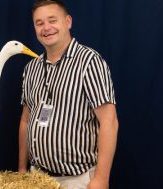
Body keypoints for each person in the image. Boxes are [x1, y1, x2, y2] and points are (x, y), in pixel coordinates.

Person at [18, 0, 119, 189]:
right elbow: (26, 120)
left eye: (52, 20)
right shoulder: (31, 68)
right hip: (36, 177)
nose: (46, 28)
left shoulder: (89, 62)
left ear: (68, 22)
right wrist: (22, 169)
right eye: (39, 23)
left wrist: (101, 179)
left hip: (77, 180)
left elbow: (109, 121)